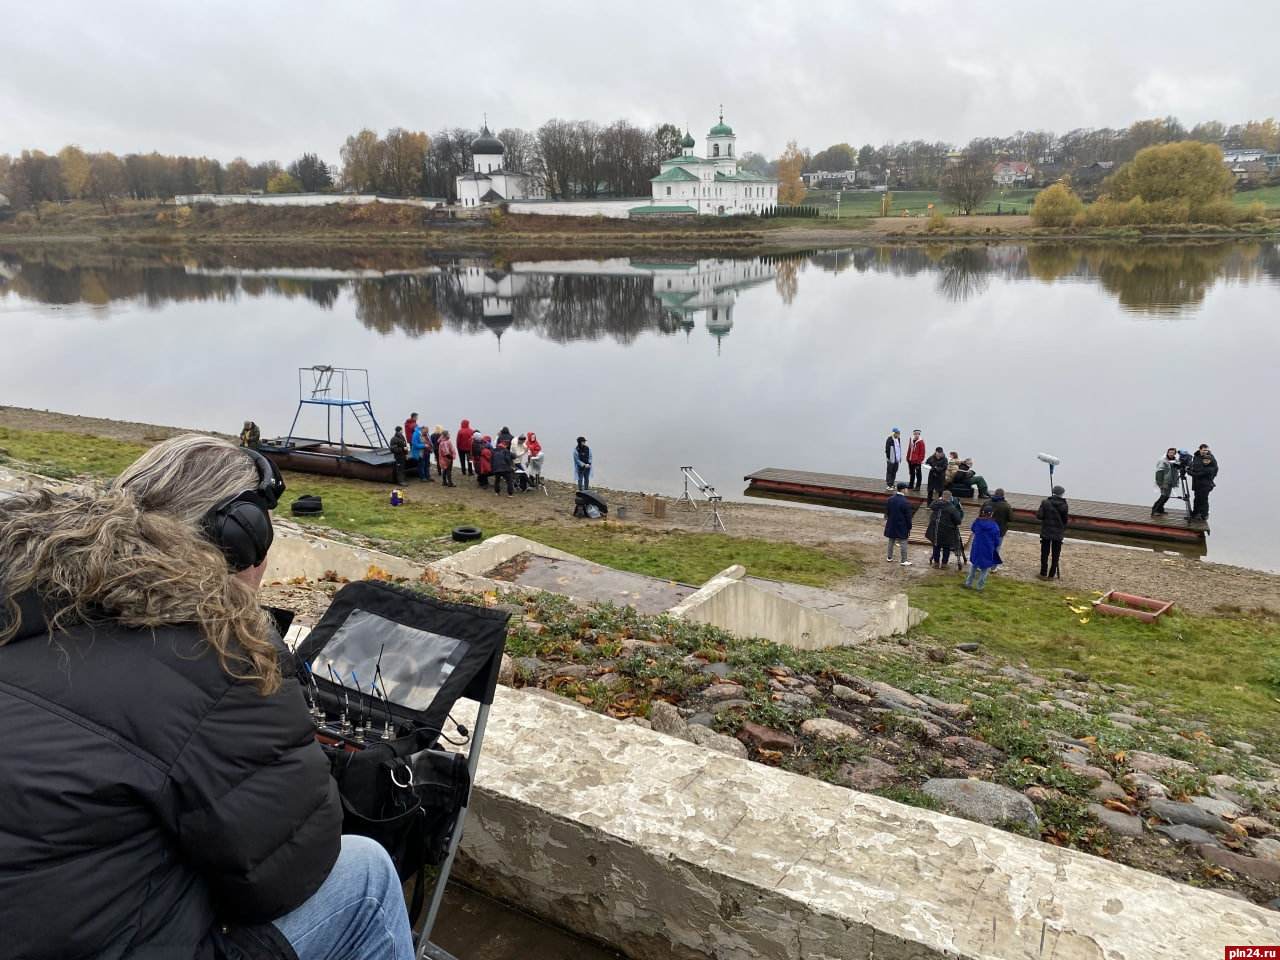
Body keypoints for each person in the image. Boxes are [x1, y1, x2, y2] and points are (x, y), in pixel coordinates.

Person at [0, 434, 414, 960]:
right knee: (367, 874)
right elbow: (290, 873)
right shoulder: (218, 661)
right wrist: (247, 628)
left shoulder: (24, 605)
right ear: (242, 541)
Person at [964, 504, 1002, 592]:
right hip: (988, 548)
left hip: (977, 547)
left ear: (983, 513)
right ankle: (980, 587)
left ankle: (968, 583)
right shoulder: (995, 526)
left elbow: (973, 529)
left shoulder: (977, 522)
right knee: (985, 568)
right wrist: (994, 546)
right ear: (991, 514)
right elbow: (997, 539)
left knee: (974, 565)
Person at [1036, 484, 1070, 579]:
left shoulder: (1045, 502)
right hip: (1058, 533)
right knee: (1055, 555)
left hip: (1046, 531)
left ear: (1053, 492)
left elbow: (1039, 516)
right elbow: (1065, 520)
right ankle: (1051, 575)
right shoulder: (1064, 505)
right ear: (1062, 494)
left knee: (1045, 553)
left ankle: (1043, 573)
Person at [926, 490, 964, 569]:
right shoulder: (952, 508)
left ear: (942, 497)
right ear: (950, 498)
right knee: (946, 546)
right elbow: (958, 521)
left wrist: (938, 499)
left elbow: (931, 505)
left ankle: (936, 563)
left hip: (935, 529)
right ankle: (944, 564)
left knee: (936, 545)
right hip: (948, 530)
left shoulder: (935, 505)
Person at [883, 481, 913, 565]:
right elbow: (908, 516)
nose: (907, 489)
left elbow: (888, 512)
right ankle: (904, 560)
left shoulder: (891, 499)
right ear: (903, 490)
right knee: (903, 541)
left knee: (891, 540)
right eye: (906, 488)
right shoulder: (905, 502)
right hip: (902, 524)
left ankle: (889, 557)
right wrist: (909, 526)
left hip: (892, 522)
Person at [1187, 443, 1218, 522]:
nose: (1205, 452)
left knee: (1203, 500)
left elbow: (1215, 469)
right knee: (1197, 499)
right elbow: (1194, 466)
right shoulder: (1196, 456)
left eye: (1207, 450)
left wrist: (1209, 478)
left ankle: (1204, 515)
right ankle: (1195, 514)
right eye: (1204, 450)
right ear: (1200, 449)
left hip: (1205, 483)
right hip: (1197, 482)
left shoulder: (1211, 459)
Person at [1152, 447, 1181, 516]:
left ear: (1175, 454)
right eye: (1170, 452)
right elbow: (1159, 472)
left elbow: (1176, 469)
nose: (1171, 454)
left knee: (1166, 496)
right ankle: (1155, 510)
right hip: (1164, 481)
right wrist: (1159, 483)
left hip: (1171, 481)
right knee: (1164, 496)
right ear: (1167, 452)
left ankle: (1160, 509)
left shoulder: (1175, 460)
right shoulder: (1163, 460)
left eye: (1173, 453)